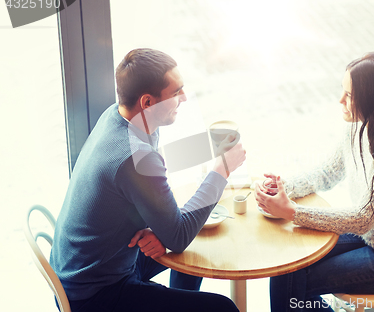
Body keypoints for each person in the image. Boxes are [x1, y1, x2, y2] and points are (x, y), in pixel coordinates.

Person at [50, 48, 245, 312]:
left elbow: (151, 164)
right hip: (97, 293)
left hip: (88, 264)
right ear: (148, 103)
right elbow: (177, 235)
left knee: (195, 233)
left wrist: (208, 146)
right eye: (176, 92)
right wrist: (222, 168)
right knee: (223, 307)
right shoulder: (134, 157)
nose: (184, 98)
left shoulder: (118, 117)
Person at [255, 52, 374, 312]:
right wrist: (284, 186)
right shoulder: (359, 126)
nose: (340, 100)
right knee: (287, 266)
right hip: (372, 235)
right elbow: (327, 172)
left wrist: (291, 212)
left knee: (293, 281)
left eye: (349, 96)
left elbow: (361, 219)